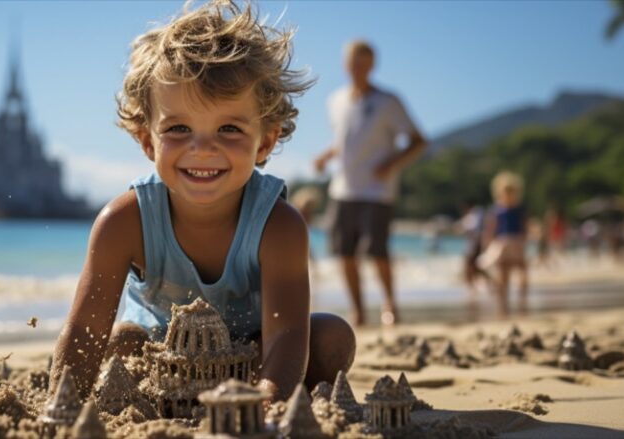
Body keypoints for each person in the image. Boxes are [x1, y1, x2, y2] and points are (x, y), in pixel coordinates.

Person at [50, 0, 356, 402]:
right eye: (178, 128)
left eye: (229, 128)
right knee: (120, 343)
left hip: (248, 356)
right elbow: (86, 330)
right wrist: (62, 404)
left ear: (264, 141)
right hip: (160, 357)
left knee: (333, 337)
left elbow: (286, 334)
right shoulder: (125, 221)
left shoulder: (278, 225)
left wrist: (266, 402)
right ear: (148, 141)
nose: (203, 148)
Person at [312, 40, 427, 326]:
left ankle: (390, 303)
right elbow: (344, 142)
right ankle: (359, 311)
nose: (356, 68)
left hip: (377, 191)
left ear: (372, 65)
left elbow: (418, 141)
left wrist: (391, 164)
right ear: (344, 64)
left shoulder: (388, 101)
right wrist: (326, 156)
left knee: (377, 251)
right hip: (342, 189)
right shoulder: (336, 100)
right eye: (352, 62)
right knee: (344, 253)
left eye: (362, 63)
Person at [478, 171, 528, 317]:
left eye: (512, 191)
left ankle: (521, 301)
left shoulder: (519, 209)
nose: (509, 194)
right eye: (506, 191)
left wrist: (525, 237)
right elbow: (491, 228)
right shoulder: (497, 210)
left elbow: (524, 225)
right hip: (502, 244)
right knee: (503, 274)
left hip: (517, 242)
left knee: (522, 272)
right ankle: (502, 304)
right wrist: (487, 244)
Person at [457, 199, 491, 301]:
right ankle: (482, 286)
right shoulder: (478, 215)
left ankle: (472, 289)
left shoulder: (473, 216)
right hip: (475, 245)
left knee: (470, 267)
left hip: (475, 246)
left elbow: (469, 230)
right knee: (475, 267)